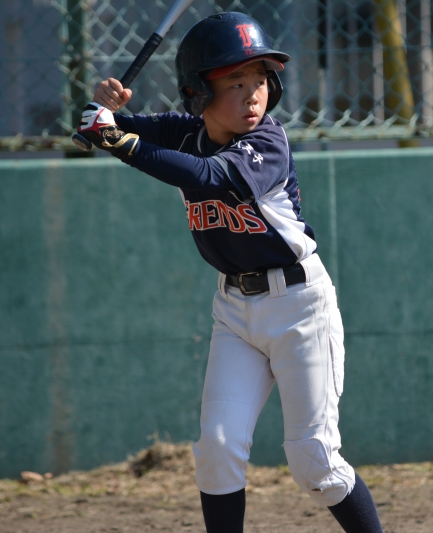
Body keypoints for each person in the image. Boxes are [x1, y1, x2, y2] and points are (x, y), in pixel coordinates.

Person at [77, 12, 383, 533]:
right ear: (197, 91)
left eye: (260, 80)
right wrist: (102, 110)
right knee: (217, 450)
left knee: (314, 460)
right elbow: (107, 127)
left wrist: (116, 140)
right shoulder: (183, 131)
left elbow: (208, 176)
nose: (252, 95)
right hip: (235, 313)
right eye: (235, 82)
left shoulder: (268, 143)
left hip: (300, 308)